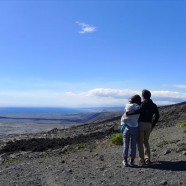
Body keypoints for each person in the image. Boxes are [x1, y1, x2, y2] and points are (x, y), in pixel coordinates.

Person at [136, 89, 159, 166]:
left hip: (141, 124)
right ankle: (148, 159)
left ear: (143, 96)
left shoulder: (143, 104)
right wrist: (153, 125)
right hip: (149, 125)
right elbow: (157, 116)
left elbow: (138, 112)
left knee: (140, 142)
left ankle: (142, 160)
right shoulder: (154, 105)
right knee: (146, 141)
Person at [121, 95, 141, 167]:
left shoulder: (127, 106)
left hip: (127, 128)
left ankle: (125, 161)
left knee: (125, 145)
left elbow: (125, 115)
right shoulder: (139, 107)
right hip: (135, 127)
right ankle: (132, 161)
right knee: (133, 145)